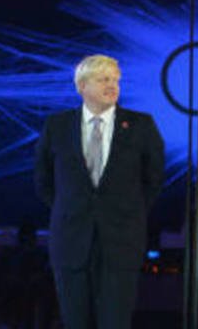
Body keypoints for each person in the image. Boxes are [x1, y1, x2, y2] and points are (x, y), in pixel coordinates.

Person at [35, 54, 165, 329]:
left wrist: (127, 212)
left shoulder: (141, 125)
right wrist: (71, 209)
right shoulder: (56, 126)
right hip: (70, 242)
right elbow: (43, 181)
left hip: (120, 243)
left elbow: (153, 180)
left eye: (115, 80)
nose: (112, 85)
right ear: (82, 86)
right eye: (103, 79)